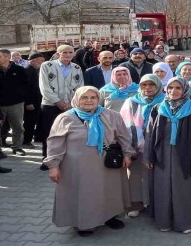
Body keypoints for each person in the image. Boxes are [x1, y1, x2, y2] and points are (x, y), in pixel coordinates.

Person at [45, 86, 134, 236]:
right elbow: (55, 143)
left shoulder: (111, 115)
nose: (89, 101)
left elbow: (123, 136)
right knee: (84, 194)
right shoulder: (65, 118)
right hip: (77, 167)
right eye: (84, 98)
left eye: (93, 97)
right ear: (76, 99)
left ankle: (109, 217)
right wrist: (53, 166)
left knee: (109, 191)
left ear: (98, 99)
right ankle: (83, 223)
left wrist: (127, 154)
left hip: (106, 165)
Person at [144, 77, 191, 233]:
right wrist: (148, 155)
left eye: (178, 88)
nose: (173, 91)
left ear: (185, 90)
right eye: (170, 88)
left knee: (184, 189)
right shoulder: (158, 108)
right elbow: (150, 132)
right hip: (162, 156)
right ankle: (164, 221)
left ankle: (186, 222)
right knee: (163, 188)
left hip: (186, 156)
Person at [119, 74, 164, 217]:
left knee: (155, 175)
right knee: (135, 175)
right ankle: (136, 204)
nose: (148, 88)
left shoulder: (165, 101)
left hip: (157, 145)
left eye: (151, 85)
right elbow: (124, 123)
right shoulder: (131, 102)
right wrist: (132, 143)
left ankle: (154, 203)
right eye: (144, 85)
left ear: (158, 86)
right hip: (135, 145)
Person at [38, 45, 84, 170]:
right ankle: (47, 160)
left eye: (70, 52)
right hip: (50, 105)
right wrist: (58, 102)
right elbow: (44, 87)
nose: (67, 55)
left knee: (68, 133)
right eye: (64, 52)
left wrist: (71, 103)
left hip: (70, 106)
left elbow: (80, 86)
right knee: (49, 133)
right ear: (58, 53)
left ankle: (66, 159)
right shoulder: (47, 66)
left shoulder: (76, 68)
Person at [0, 48, 31, 156]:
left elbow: (26, 86)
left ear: (7, 57)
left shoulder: (19, 69)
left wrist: (25, 100)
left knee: (18, 127)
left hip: (16, 104)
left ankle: (17, 147)